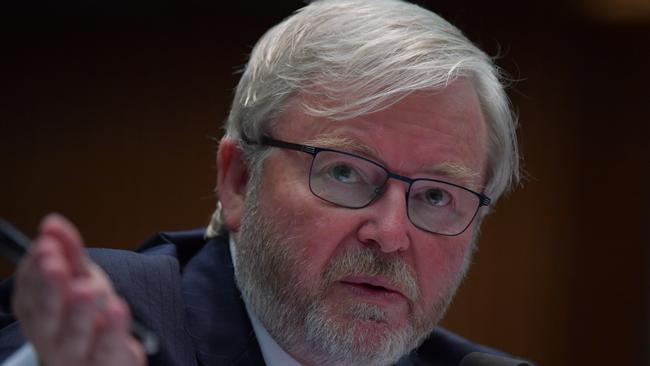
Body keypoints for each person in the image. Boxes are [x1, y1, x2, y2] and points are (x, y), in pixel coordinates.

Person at [0, 0, 530, 365]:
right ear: (238, 181)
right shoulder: (110, 322)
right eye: (344, 171)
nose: (390, 233)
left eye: (437, 195)